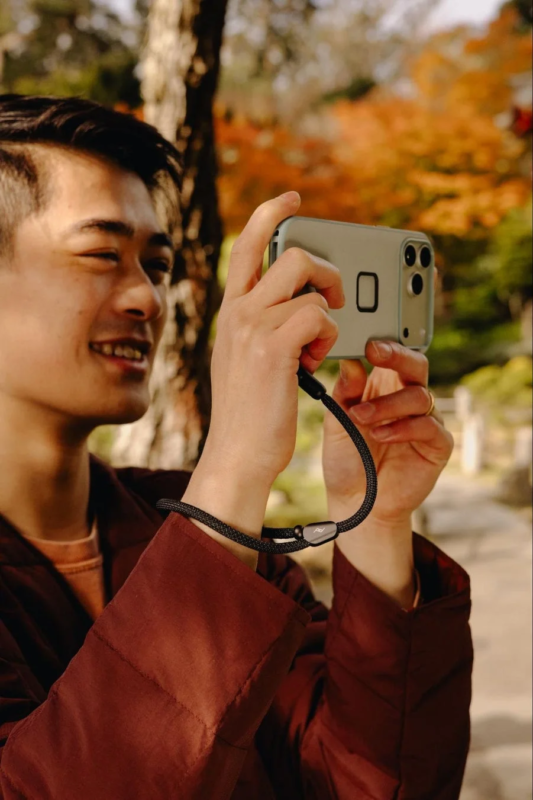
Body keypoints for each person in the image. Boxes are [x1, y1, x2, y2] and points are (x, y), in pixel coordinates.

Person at [0, 93, 472, 799]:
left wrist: (374, 521)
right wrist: (232, 468)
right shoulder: (216, 522)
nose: (148, 299)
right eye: (101, 254)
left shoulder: (189, 527)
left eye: (156, 265)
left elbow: (366, 784)